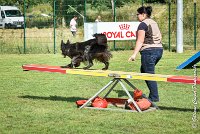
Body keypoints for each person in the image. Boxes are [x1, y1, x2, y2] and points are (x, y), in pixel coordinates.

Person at [128, 6, 163, 102]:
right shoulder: (154, 22)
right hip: (159, 50)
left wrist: (134, 54)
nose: (137, 16)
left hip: (149, 51)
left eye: (137, 14)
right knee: (144, 70)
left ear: (143, 14)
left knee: (149, 74)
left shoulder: (143, 24)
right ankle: (153, 95)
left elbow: (140, 41)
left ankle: (154, 97)